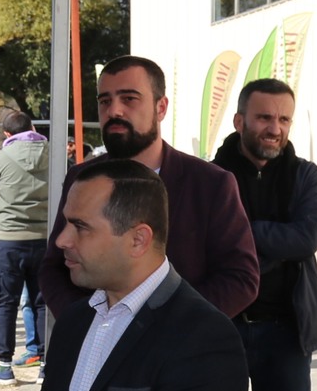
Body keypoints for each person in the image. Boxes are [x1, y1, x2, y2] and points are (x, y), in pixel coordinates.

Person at [16, 159, 248, 391]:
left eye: (80, 227)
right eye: (65, 222)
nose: (62, 239)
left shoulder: (204, 339)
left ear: (138, 240)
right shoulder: (75, 321)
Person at [40, 55, 258, 320]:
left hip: (180, 340)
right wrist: (90, 324)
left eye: (129, 99)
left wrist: (169, 326)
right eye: (105, 101)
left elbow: (240, 278)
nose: (114, 111)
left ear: (161, 107)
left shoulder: (209, 183)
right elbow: (54, 268)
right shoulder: (80, 178)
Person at [210, 79, 317, 391]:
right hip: (221, 332)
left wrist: (239, 230)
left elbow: (305, 238)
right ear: (240, 120)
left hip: (286, 335)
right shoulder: (210, 177)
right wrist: (272, 236)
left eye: (283, 119)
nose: (274, 128)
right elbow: (205, 242)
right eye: (264, 117)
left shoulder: (307, 177)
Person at [0, 110, 48, 384]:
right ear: (32, 127)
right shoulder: (53, 153)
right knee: (43, 302)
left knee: (6, 303)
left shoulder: (1, 157)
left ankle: (5, 366)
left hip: (10, 238)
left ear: (7, 134)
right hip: (45, 238)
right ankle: (46, 366)